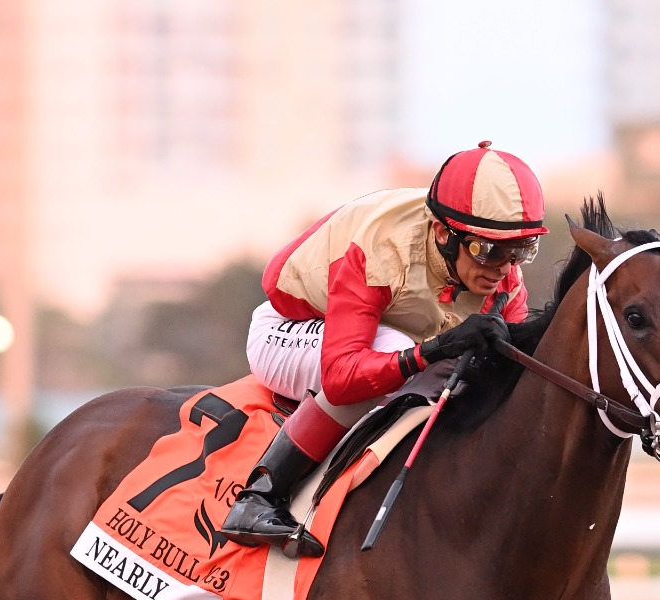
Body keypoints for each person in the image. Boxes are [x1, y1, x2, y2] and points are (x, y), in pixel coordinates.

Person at [221, 141, 547, 557]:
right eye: (488, 250)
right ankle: (261, 496)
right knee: (402, 352)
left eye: (521, 251)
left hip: (375, 332)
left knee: (464, 373)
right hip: (289, 328)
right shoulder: (382, 247)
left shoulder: (504, 275)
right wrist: (433, 349)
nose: (503, 267)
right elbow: (341, 378)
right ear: (444, 233)